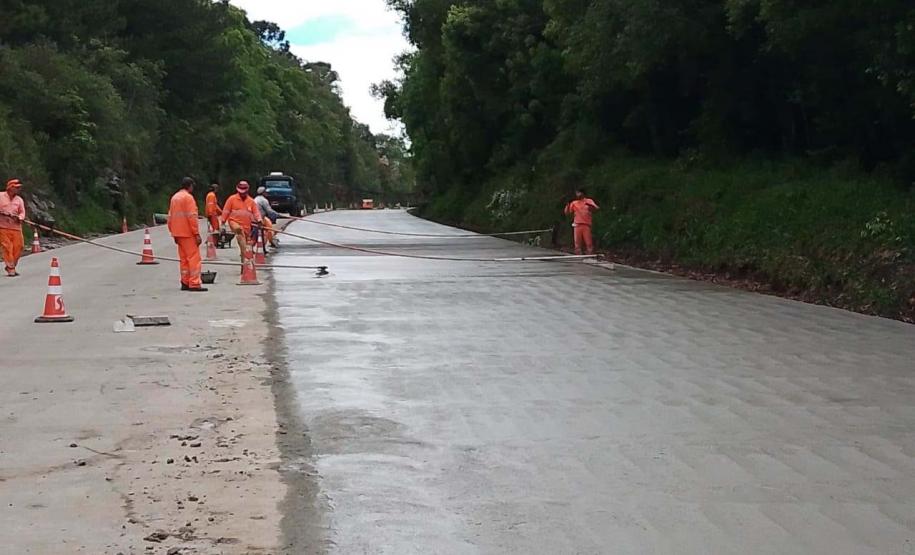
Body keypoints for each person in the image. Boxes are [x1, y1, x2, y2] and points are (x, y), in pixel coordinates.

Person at [167, 177, 207, 292]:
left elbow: (170, 217)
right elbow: (192, 217)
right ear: (190, 186)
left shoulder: (175, 198)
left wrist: (173, 232)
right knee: (194, 258)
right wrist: (196, 234)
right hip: (188, 233)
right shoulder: (188, 198)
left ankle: (185, 281)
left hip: (178, 233)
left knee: (184, 259)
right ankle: (194, 283)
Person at [220, 180, 262, 266]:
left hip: (247, 226)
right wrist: (223, 222)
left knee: (246, 245)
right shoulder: (232, 199)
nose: (242, 194)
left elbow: (256, 212)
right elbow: (226, 211)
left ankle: (244, 265)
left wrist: (259, 220)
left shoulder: (251, 201)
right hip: (234, 223)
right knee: (239, 231)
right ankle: (245, 263)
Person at [0, 178, 26, 277]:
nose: (17, 190)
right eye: (16, 188)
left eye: (18, 188)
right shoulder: (1, 196)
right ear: (10, 188)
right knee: (7, 246)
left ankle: (11, 265)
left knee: (19, 247)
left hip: (16, 227)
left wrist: (20, 218)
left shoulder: (19, 200)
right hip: (2, 227)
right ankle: (10, 268)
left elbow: (22, 212)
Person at [564, 188, 600, 255]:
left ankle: (589, 254)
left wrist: (591, 207)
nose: (577, 194)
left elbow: (596, 209)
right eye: (576, 193)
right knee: (577, 242)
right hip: (577, 224)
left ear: (583, 193)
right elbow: (567, 213)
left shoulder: (589, 201)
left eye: (579, 193)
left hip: (586, 224)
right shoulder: (574, 203)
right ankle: (578, 255)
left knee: (588, 242)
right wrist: (568, 204)